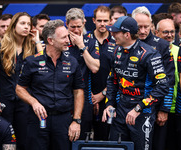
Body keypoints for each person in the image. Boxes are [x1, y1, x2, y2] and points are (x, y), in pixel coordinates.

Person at [16, 19, 85, 150]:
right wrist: (33, 102)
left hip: (63, 119)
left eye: (67, 36)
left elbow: (78, 91)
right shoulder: (32, 61)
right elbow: (19, 88)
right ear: (50, 41)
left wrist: (76, 120)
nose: (68, 41)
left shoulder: (73, 62)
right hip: (38, 119)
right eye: (64, 37)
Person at [102, 16, 169, 150]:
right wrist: (109, 104)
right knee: (115, 148)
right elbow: (112, 81)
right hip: (120, 110)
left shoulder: (149, 54)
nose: (112, 34)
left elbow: (163, 86)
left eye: (116, 32)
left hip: (142, 112)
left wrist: (138, 108)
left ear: (127, 35)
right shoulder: (117, 51)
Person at [132, 6, 175, 150]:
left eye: (146, 26)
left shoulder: (162, 45)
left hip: (155, 107)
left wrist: (164, 109)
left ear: (152, 25)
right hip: (131, 105)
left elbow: (169, 79)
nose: (143, 31)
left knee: (156, 145)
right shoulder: (127, 42)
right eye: (139, 27)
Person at [0, 12, 37, 150]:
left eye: (28, 24)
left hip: (24, 101)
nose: (26, 27)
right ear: (14, 26)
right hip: (3, 99)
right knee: (4, 139)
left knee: (23, 140)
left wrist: (37, 41)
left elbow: (43, 65)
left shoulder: (32, 48)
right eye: (22, 23)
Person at [65, 8, 100, 140]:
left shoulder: (91, 42)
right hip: (63, 97)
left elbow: (95, 68)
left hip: (84, 98)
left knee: (81, 138)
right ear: (66, 24)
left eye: (79, 26)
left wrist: (81, 47)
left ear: (84, 23)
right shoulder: (61, 42)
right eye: (72, 27)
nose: (75, 30)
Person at [86, 5, 117, 140]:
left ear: (110, 21)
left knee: (105, 138)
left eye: (105, 20)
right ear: (93, 20)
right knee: (83, 137)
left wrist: (102, 94)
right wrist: (91, 96)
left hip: (108, 97)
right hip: (86, 97)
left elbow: (118, 73)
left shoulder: (117, 42)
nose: (102, 24)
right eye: (99, 20)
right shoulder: (84, 40)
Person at [155, 18, 179, 150]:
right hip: (159, 107)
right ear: (156, 32)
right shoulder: (151, 51)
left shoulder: (180, 51)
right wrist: (164, 109)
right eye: (165, 32)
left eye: (172, 31)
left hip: (177, 108)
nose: (169, 35)